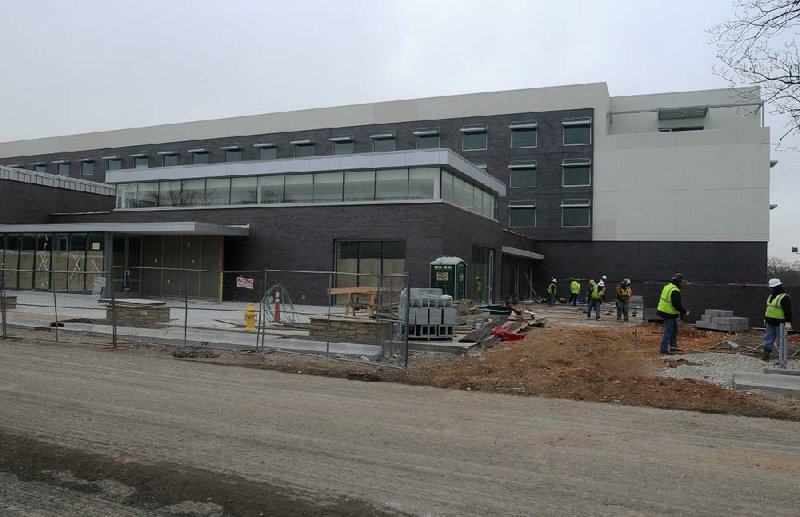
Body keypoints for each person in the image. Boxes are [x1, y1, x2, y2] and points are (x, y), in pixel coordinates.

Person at [657, 273, 688, 355]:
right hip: (668, 312)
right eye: (681, 282)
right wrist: (684, 312)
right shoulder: (675, 290)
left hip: (663, 310)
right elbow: (676, 304)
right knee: (668, 330)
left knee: (674, 329)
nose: (681, 284)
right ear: (678, 282)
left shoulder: (667, 286)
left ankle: (673, 346)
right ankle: (663, 349)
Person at [762, 278, 793, 361]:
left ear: (776, 287)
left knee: (781, 341)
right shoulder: (771, 296)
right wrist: (766, 319)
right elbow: (769, 308)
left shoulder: (784, 297)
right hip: (770, 322)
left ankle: (782, 359)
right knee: (767, 339)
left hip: (780, 323)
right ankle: (765, 356)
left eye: (771, 288)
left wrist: (787, 322)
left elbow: (788, 311)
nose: (770, 289)